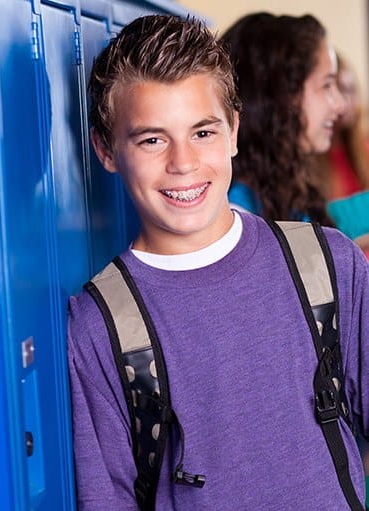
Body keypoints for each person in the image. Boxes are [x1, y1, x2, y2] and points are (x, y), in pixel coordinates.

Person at [67, 14, 369, 510]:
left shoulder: (328, 262)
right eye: (152, 139)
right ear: (106, 150)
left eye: (202, 132)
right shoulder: (99, 326)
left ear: (233, 130)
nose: (183, 162)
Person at [220, 13, 345, 224]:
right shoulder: (238, 215)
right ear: (283, 98)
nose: (340, 104)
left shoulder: (282, 193)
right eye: (326, 85)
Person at [317, 53, 369, 200]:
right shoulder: (315, 156)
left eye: (351, 90)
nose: (345, 101)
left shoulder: (363, 149)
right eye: (339, 89)